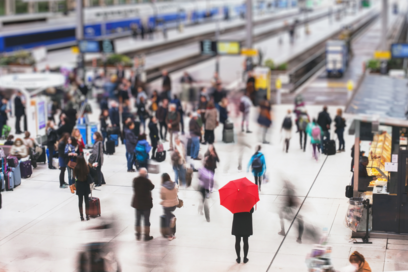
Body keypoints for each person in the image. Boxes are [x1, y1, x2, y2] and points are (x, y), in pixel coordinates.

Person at [131, 168, 155, 241]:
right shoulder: (147, 181)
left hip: (137, 204)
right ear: (145, 174)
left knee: (138, 220)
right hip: (146, 204)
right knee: (146, 221)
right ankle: (146, 236)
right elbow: (152, 187)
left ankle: (138, 235)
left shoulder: (135, 180)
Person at [73, 156, 94, 221]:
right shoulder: (86, 167)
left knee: (80, 201)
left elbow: (74, 177)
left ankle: (81, 216)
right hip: (86, 185)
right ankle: (87, 215)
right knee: (86, 201)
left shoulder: (76, 168)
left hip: (79, 185)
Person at [160, 173, 179, 241]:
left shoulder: (163, 187)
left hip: (167, 206)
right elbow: (177, 192)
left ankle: (170, 235)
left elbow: (162, 197)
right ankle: (172, 217)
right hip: (174, 205)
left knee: (168, 219)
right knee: (169, 215)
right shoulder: (175, 184)